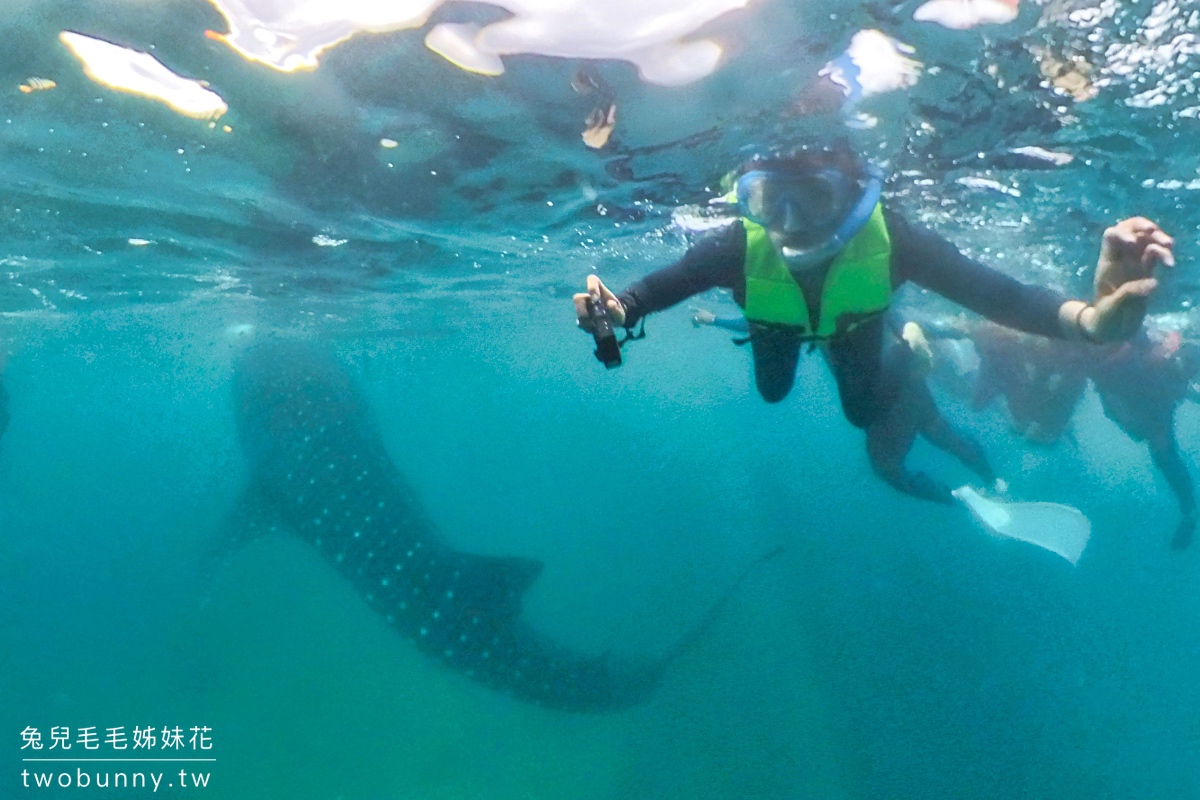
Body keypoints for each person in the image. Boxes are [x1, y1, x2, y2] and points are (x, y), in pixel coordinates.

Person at [573, 143, 1175, 500]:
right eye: (767, 199)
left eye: (811, 196)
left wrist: (1091, 322)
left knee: (863, 412)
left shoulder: (894, 240)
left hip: (855, 327)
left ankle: (909, 348)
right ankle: (905, 343)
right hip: (778, 325)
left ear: (855, 194)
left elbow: (998, 295)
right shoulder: (735, 245)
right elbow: (660, 287)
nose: (788, 220)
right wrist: (615, 309)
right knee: (773, 392)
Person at [924, 318, 1199, 548]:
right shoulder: (1126, 342)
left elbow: (1168, 459)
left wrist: (1188, 513)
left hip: (1114, 377)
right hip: (1092, 355)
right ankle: (936, 335)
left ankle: (941, 337)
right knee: (1006, 394)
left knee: (1033, 418)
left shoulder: (1155, 413)